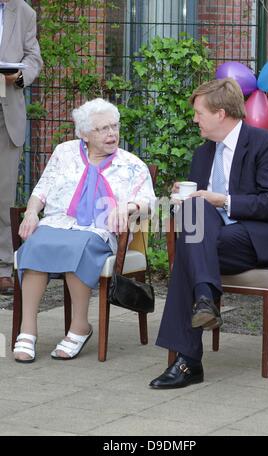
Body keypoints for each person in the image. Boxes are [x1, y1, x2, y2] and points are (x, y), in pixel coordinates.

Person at [149, 77, 268, 389]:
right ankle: (205, 299)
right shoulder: (203, 154)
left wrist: (221, 200)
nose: (194, 119)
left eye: (199, 113)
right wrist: (184, 198)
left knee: (191, 250)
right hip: (214, 242)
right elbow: (197, 213)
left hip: (258, 240)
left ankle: (189, 359)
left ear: (220, 113)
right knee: (194, 216)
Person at [13, 98, 156, 363]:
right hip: (58, 223)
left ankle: (80, 325)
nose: (112, 133)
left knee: (78, 245)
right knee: (35, 244)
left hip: (101, 231)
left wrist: (127, 207)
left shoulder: (132, 164)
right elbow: (41, 190)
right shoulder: (64, 152)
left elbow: (149, 204)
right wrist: (32, 211)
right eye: (103, 129)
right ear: (84, 134)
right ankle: (28, 328)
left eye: (114, 126)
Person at [0, 0, 43, 294]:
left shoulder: (24, 11)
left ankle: (3, 266)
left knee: (3, 197)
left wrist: (19, 77)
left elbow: (33, 58)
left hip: (8, 113)